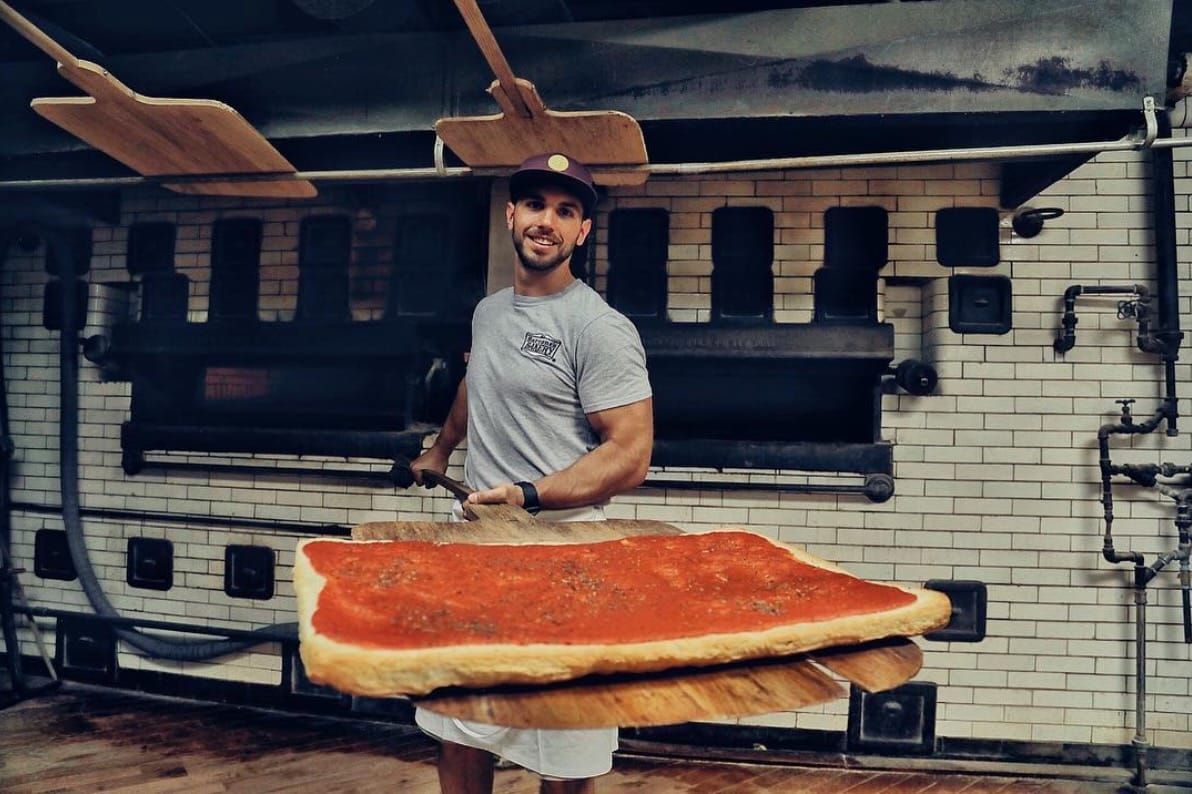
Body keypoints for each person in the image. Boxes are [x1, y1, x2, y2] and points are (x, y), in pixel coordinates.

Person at [409, 152, 654, 794]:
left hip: (564, 557)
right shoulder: (489, 312)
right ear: (512, 216)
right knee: (459, 726)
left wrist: (529, 494)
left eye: (566, 211)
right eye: (537, 206)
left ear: (582, 233)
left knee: (566, 747)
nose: (548, 221)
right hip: (475, 550)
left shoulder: (599, 328)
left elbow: (630, 453)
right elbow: (477, 382)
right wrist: (440, 449)